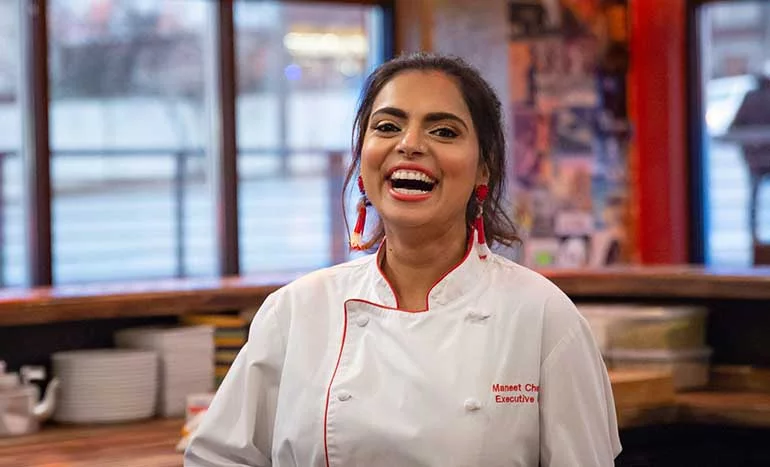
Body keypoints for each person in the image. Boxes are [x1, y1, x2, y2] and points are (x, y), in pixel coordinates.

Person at [184, 52, 621, 467]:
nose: (409, 145)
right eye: (388, 126)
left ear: (483, 168)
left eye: (444, 131)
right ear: (362, 158)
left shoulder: (544, 317)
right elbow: (217, 458)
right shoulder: (296, 311)